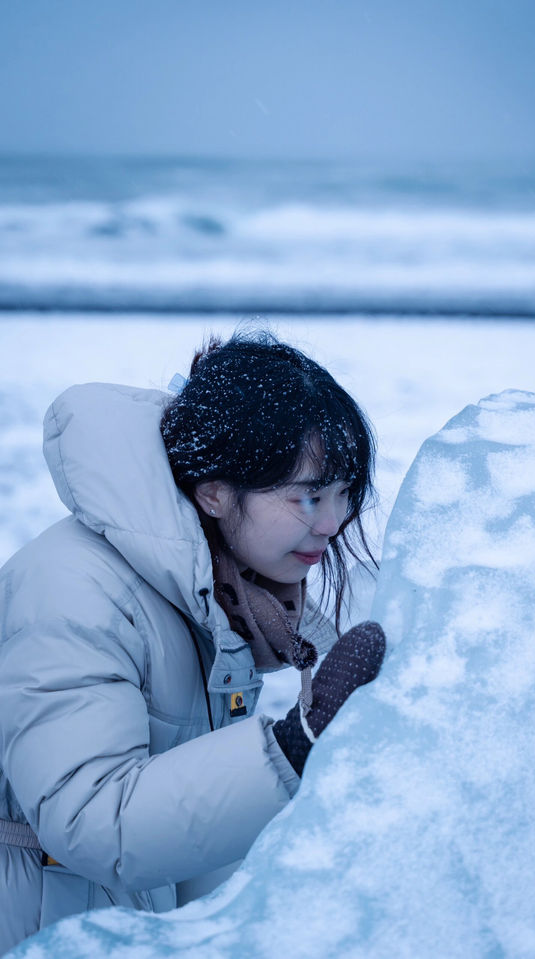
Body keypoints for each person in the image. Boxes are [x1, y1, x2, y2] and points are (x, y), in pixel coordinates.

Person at [0, 332, 386, 953]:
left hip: (111, 924)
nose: (333, 522)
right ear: (213, 491)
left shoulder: (216, 596)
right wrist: (288, 749)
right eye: (309, 495)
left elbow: (191, 837)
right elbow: (94, 823)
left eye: (344, 493)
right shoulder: (75, 592)